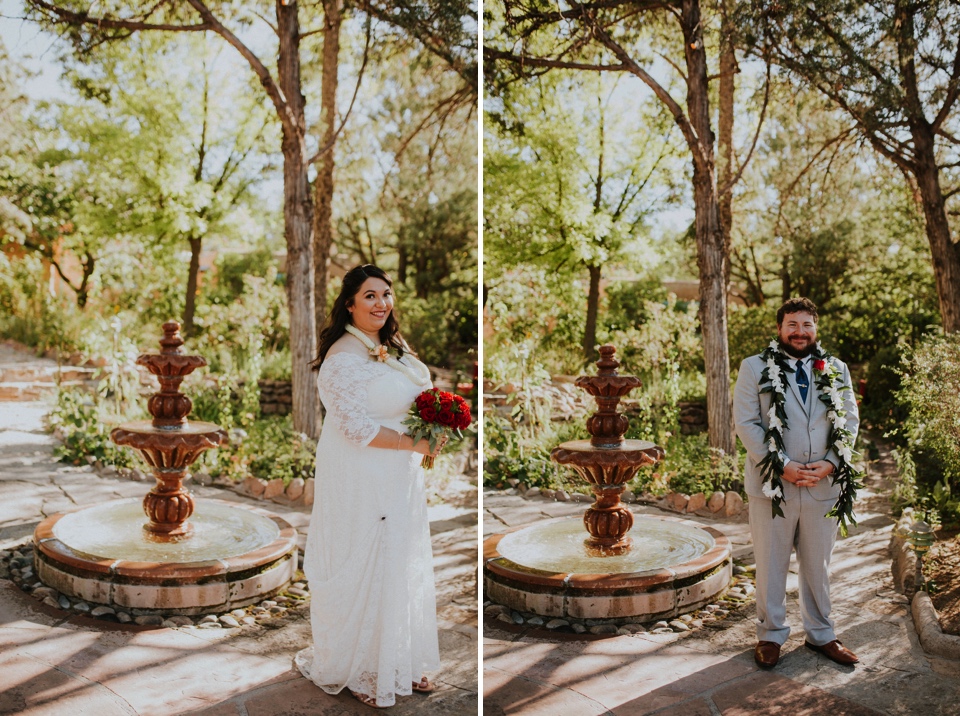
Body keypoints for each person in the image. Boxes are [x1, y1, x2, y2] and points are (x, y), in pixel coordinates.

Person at [295, 264, 447, 708]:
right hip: (360, 471)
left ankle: (399, 658)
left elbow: (417, 392)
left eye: (386, 294)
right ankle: (360, 666)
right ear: (349, 304)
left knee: (400, 556)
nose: (381, 303)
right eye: (370, 296)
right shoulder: (342, 359)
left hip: (399, 472)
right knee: (366, 557)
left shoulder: (392, 345)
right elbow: (356, 428)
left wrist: (435, 423)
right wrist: (412, 442)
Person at [733, 297, 861, 669]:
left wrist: (831, 463)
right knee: (771, 563)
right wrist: (783, 465)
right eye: (792, 324)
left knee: (817, 565)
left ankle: (822, 634)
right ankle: (770, 634)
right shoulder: (753, 367)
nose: (800, 332)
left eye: (807, 325)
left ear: (815, 329)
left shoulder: (837, 368)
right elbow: (746, 423)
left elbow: (850, 420)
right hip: (773, 485)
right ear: (780, 329)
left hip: (823, 486)